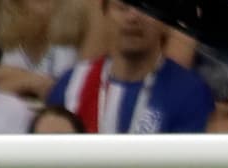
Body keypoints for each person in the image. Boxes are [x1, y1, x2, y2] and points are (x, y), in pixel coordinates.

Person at [47, 0, 213, 134]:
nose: (133, 17)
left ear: (166, 22)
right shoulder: (71, 85)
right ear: (105, 14)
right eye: (122, 6)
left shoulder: (190, 92)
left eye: (146, 7)